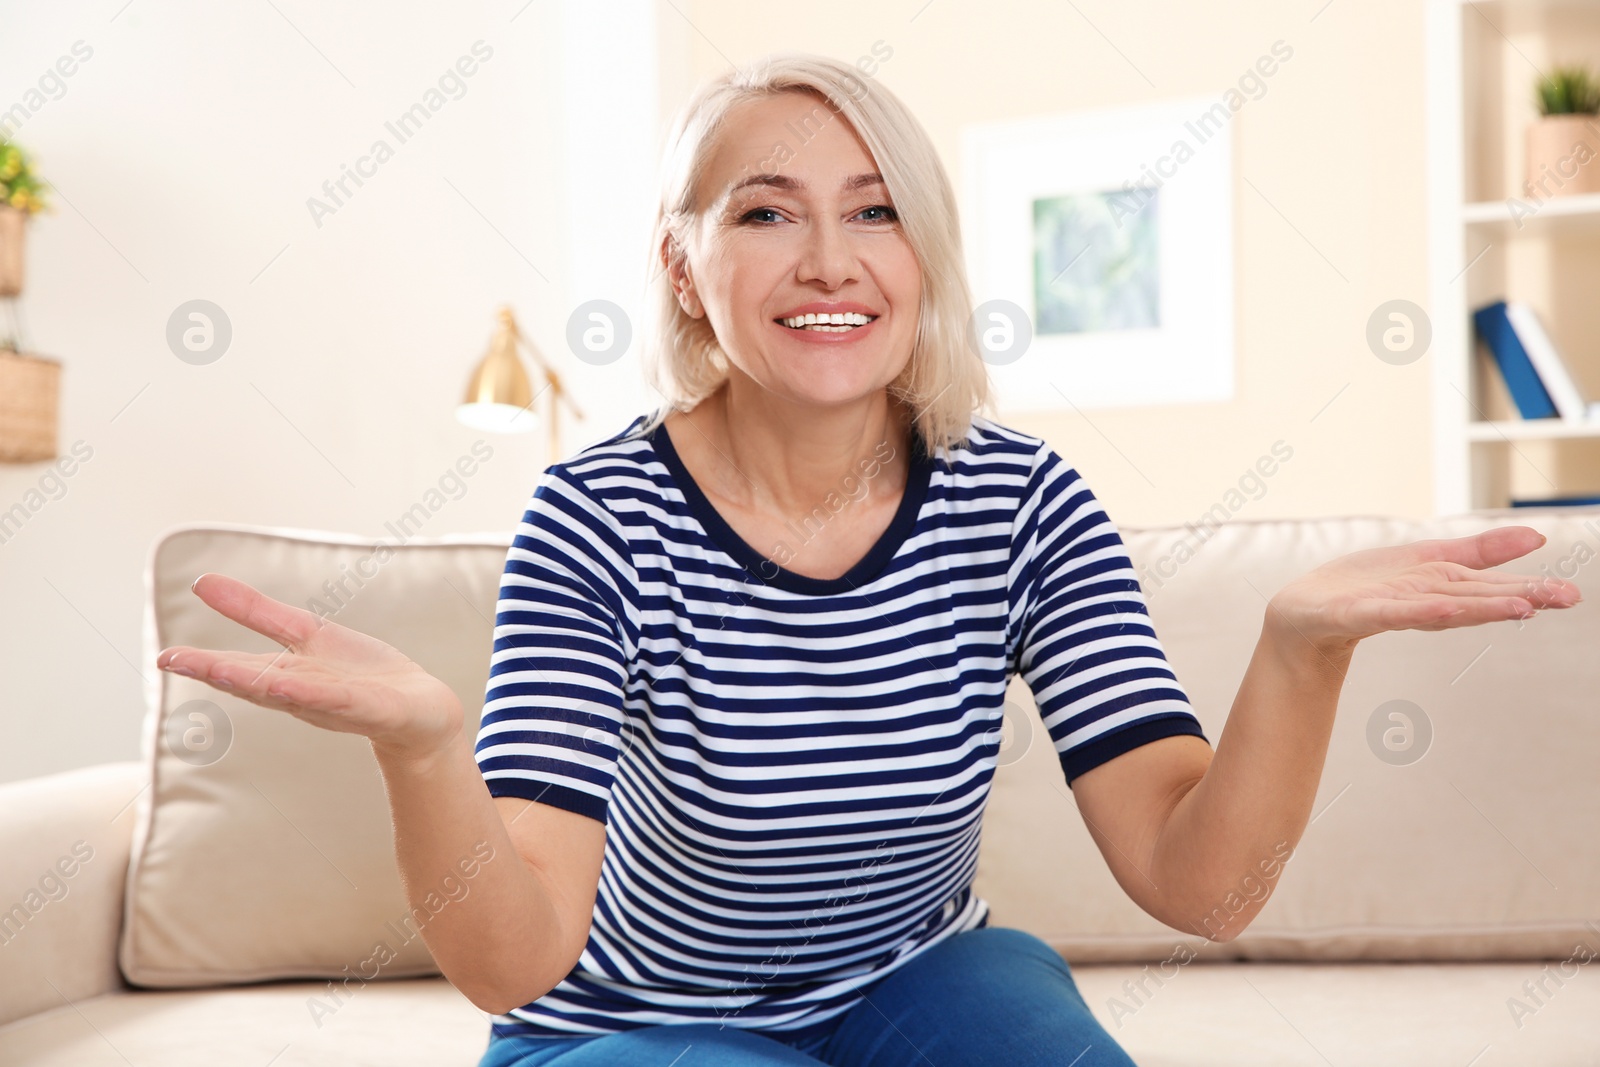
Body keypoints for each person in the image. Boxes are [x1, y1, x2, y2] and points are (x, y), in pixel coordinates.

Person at [156, 52, 1581, 1067]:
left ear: (926, 255)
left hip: (922, 981)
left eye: (876, 208)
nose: (830, 260)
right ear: (682, 265)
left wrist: (1299, 655)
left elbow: (1199, 885)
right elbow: (515, 960)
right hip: (636, 1025)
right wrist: (423, 751)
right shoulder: (593, 521)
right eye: (767, 212)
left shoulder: (1020, 501)